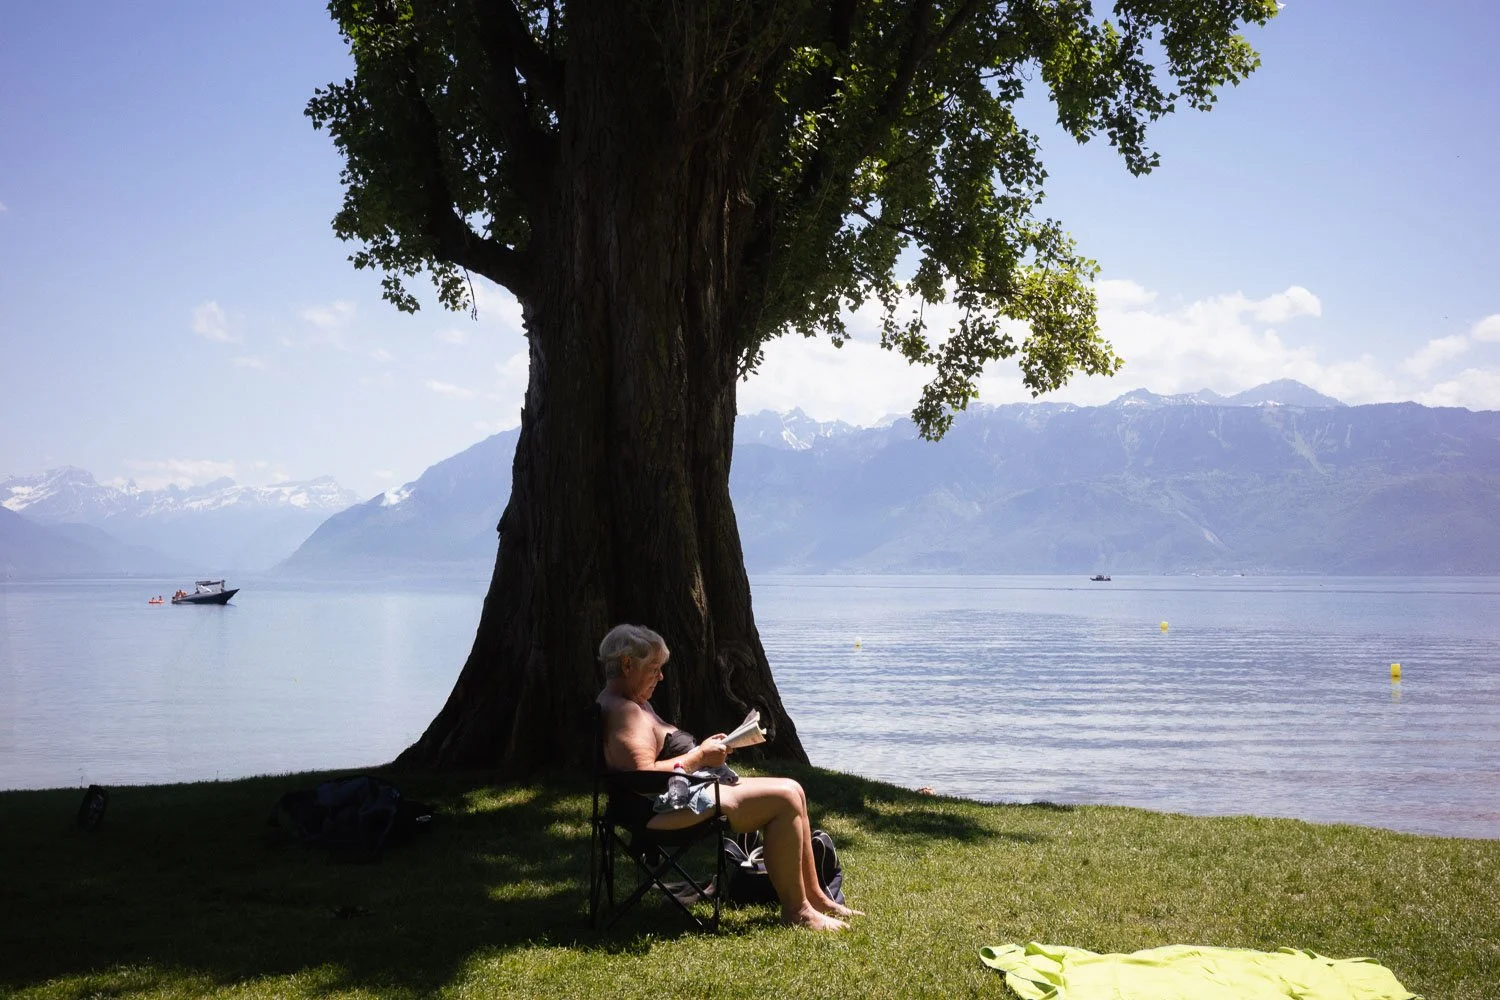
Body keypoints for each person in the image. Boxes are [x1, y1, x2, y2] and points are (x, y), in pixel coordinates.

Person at [596, 623, 860, 932]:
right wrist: (700, 756)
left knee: (794, 788)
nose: (661, 676)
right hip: (660, 810)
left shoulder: (630, 704)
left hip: (676, 797)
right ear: (627, 665)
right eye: (654, 669)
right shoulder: (625, 712)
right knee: (784, 799)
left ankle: (816, 898)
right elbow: (642, 777)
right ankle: (798, 910)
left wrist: (707, 754)